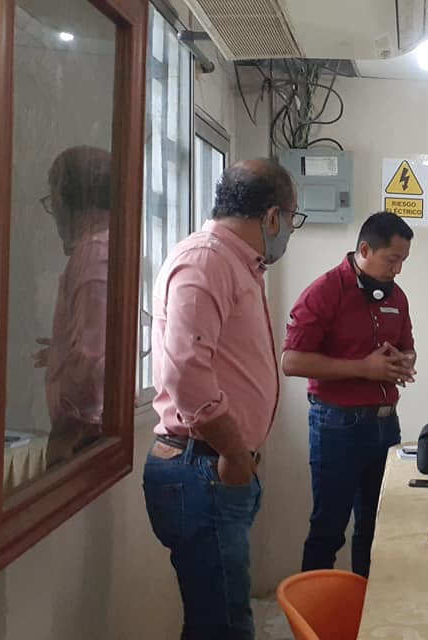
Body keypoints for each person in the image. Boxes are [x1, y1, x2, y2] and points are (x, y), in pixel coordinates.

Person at [142, 159, 301, 640]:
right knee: (225, 626)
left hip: (217, 465)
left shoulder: (238, 265)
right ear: (272, 217)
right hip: (203, 466)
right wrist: (234, 451)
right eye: (292, 219)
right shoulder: (207, 261)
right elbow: (185, 372)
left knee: (214, 618)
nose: (288, 231)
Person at [282, 211, 416, 577]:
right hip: (337, 426)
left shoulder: (397, 296)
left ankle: (365, 606)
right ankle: (313, 610)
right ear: (365, 250)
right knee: (328, 528)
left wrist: (404, 362)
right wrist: (363, 368)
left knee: (376, 527)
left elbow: (407, 347)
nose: (398, 269)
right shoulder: (324, 292)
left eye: (403, 261)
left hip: (385, 425)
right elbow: (291, 361)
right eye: (392, 259)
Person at [34, 146, 111, 466]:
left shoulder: (93, 251)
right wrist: (60, 351)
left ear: (71, 203)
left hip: (81, 438)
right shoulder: (104, 244)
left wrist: (66, 435)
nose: (55, 214)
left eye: (54, 201)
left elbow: (93, 361)